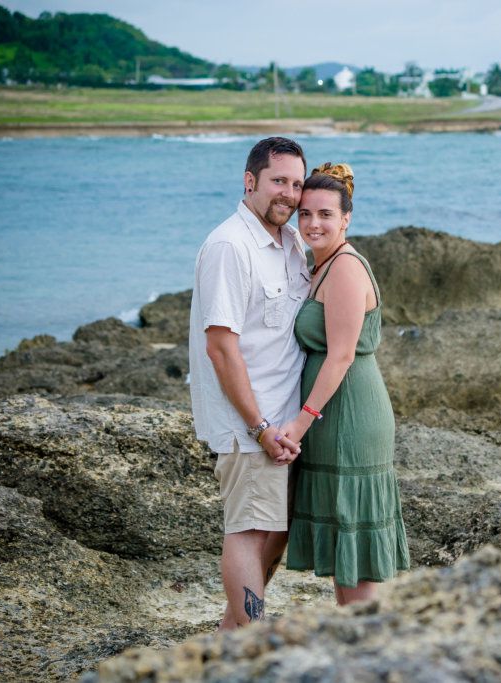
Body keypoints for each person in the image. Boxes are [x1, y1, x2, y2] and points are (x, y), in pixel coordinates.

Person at [188, 137, 310, 629]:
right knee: (250, 530)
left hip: (285, 422)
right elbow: (221, 348)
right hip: (250, 423)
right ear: (250, 180)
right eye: (279, 181)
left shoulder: (290, 241)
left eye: (297, 184)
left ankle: (233, 627)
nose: (289, 194)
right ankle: (246, 638)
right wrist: (259, 426)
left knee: (276, 530)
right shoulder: (229, 246)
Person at [278, 162, 410, 605]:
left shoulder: (347, 268)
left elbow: (341, 356)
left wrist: (299, 424)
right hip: (332, 415)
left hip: (349, 416)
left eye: (325, 215)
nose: (313, 224)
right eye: (306, 214)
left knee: (356, 551)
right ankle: (363, 649)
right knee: (344, 548)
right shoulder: (321, 265)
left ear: (346, 219)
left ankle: (371, 653)